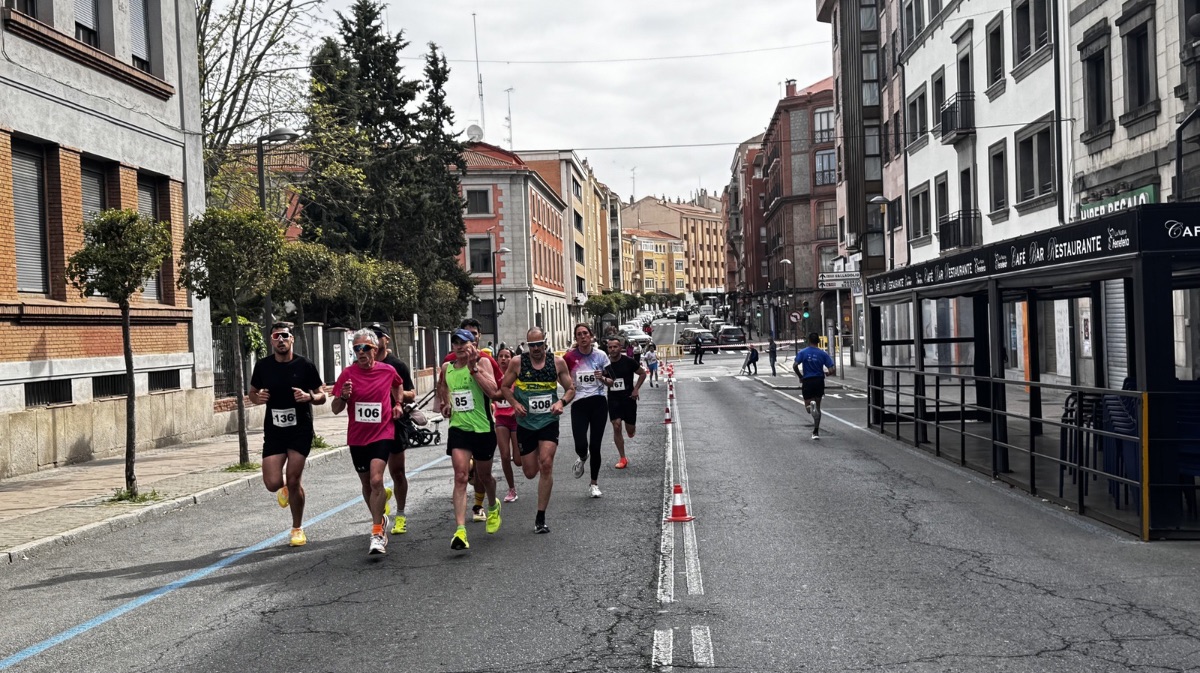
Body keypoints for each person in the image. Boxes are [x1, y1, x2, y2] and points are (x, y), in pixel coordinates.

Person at [248, 322, 326, 548]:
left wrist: (310, 397)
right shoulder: (263, 366)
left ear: (292, 339)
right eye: (276, 336)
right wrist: (257, 398)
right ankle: (285, 489)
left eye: (284, 335)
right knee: (272, 483)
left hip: (300, 430)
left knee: (294, 479)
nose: (280, 340)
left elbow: (322, 395)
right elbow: (252, 393)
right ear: (271, 341)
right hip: (274, 431)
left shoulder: (305, 365)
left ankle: (297, 528)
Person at [332, 329, 405, 555]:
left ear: (375, 349)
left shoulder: (387, 370)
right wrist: (344, 396)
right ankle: (379, 518)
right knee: (366, 484)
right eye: (357, 348)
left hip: (382, 432)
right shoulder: (347, 374)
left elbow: (398, 384)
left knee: (376, 480)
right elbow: (335, 409)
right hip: (357, 437)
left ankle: (377, 533)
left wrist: (398, 404)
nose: (361, 352)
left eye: (365, 348)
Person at [501, 327, 576, 533]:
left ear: (545, 342)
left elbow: (570, 389)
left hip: (548, 421)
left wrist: (561, 402)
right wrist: (515, 404)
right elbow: (505, 387)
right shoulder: (517, 362)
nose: (535, 349)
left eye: (539, 344)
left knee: (546, 463)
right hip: (526, 423)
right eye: (531, 345)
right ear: (527, 345)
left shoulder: (557, 362)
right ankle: (532, 457)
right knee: (529, 472)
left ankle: (540, 518)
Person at [437, 329, 502, 550]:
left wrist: (474, 369)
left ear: (472, 344)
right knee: (461, 476)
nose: (459, 346)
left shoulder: (483, 363)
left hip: (482, 428)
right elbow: (443, 387)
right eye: (455, 342)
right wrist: (446, 404)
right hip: (459, 428)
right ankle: (460, 531)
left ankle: (492, 506)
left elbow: (493, 391)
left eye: (463, 342)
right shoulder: (446, 368)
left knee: (484, 476)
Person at [369, 324, 416, 535]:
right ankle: (381, 497)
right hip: (371, 426)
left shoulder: (397, 365)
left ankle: (401, 514)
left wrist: (394, 391)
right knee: (373, 477)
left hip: (395, 422)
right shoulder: (362, 364)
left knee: (397, 472)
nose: (374, 339)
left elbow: (412, 394)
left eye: (377, 336)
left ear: (386, 339)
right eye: (371, 336)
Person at [564, 323, 612, 498]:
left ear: (591, 336)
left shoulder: (601, 355)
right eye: (579, 334)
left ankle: (594, 484)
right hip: (579, 403)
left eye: (585, 333)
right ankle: (583, 456)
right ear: (576, 338)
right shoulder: (569, 357)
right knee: (580, 444)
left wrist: (603, 377)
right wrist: (569, 384)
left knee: (596, 445)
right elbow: (560, 376)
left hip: (598, 402)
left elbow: (612, 380)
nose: (583, 337)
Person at [604, 336, 646, 470]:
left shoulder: (629, 361)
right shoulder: (605, 364)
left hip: (629, 398)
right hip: (613, 399)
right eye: (610, 347)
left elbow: (643, 373)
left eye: (615, 347)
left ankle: (631, 430)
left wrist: (636, 389)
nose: (612, 349)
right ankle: (622, 458)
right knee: (616, 426)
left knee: (630, 429)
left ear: (620, 348)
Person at [793, 332, 836, 440]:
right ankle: (816, 432)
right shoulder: (823, 354)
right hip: (819, 381)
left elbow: (795, 365)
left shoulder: (803, 352)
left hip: (807, 381)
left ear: (809, 340)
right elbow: (832, 369)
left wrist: (800, 376)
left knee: (808, 407)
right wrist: (827, 373)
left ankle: (810, 406)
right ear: (818, 341)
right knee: (818, 407)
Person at [493, 346, 521, 503]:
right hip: (501, 419)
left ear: (512, 359)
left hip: (516, 420)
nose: (503, 359)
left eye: (507, 356)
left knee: (518, 460)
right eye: (501, 356)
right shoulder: (493, 376)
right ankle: (511, 489)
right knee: (504, 455)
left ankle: (533, 456)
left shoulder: (517, 375)